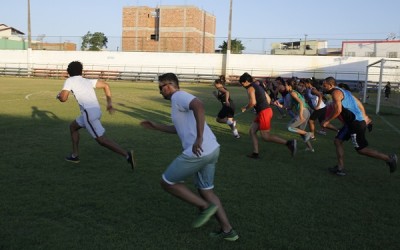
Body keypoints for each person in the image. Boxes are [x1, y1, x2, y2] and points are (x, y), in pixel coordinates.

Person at [140, 73, 239, 241]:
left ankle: (204, 206)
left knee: (167, 181)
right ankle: (228, 230)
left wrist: (198, 138)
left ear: (169, 86)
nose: (160, 92)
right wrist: (156, 126)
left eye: (161, 87)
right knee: (206, 190)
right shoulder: (177, 102)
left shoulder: (179, 96)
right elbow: (178, 128)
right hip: (212, 149)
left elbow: (198, 105)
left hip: (199, 150)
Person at [56, 61, 135, 170]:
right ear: (81, 71)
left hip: (89, 114)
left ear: (68, 72)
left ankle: (127, 155)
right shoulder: (87, 81)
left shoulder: (69, 80)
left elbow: (63, 98)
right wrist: (109, 104)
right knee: (73, 127)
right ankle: (75, 155)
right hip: (94, 111)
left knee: (101, 140)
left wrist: (59, 96)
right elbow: (106, 85)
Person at [321, 77, 397, 176]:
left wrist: (327, 121)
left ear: (331, 85)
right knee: (337, 141)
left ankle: (389, 159)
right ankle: (340, 168)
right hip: (351, 123)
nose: (323, 87)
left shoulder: (336, 93)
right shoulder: (344, 91)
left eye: (324, 85)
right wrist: (364, 115)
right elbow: (358, 103)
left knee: (361, 150)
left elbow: (338, 110)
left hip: (355, 123)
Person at [239, 72, 297, 159]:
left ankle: (289, 143)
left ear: (246, 81)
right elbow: (269, 99)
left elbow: (253, 102)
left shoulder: (250, 88)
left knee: (265, 136)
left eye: (242, 83)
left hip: (264, 112)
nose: (242, 85)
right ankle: (255, 153)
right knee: (252, 131)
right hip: (265, 111)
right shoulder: (258, 86)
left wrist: (245, 107)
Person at [274, 79, 314, 152]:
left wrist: (301, 115)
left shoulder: (292, 93)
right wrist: (280, 105)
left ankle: (309, 133)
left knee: (290, 127)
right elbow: (289, 108)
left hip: (304, 112)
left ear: (289, 86)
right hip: (306, 112)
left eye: (285, 85)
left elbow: (301, 103)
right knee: (300, 131)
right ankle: (310, 148)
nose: (284, 86)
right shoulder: (292, 93)